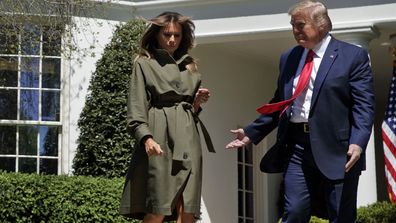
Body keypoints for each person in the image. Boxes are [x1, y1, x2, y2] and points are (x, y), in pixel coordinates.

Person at [226, 1, 375, 222]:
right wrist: (251, 132)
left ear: (322, 24)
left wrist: (358, 142)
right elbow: (281, 102)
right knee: (294, 211)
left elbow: (364, 105)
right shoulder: (289, 57)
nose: (295, 31)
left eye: (300, 25)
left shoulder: (353, 56)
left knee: (341, 216)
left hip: (339, 149)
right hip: (297, 145)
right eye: (293, 25)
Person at [119, 12, 215, 223]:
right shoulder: (144, 63)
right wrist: (146, 138)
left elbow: (187, 107)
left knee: (188, 207)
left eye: (177, 35)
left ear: (184, 37)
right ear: (156, 34)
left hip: (189, 137)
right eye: (166, 34)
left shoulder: (189, 65)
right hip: (160, 135)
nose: (172, 39)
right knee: (159, 206)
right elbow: (136, 107)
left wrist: (196, 103)